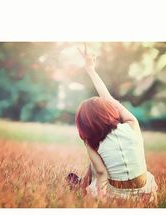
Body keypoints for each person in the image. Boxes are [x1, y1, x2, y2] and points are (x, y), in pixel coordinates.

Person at [66, 44, 158, 205]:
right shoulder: (131, 125)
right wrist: (91, 70)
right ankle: (81, 183)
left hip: (118, 195)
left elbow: (101, 173)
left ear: (85, 124)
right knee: (103, 159)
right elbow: (109, 99)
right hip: (145, 191)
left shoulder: (91, 141)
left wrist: (99, 201)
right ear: (108, 111)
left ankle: (81, 185)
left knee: (98, 163)